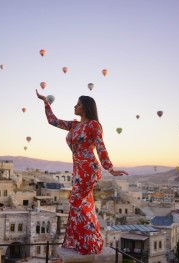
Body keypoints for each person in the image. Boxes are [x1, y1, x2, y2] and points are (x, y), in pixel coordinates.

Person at [36, 89, 128, 255]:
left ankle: (87, 243)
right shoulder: (75, 125)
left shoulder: (93, 125)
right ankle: (85, 241)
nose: (75, 106)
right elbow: (53, 121)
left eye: (78, 104)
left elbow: (100, 146)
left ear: (85, 107)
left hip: (89, 169)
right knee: (83, 204)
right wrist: (46, 102)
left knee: (77, 203)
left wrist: (110, 168)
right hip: (78, 170)